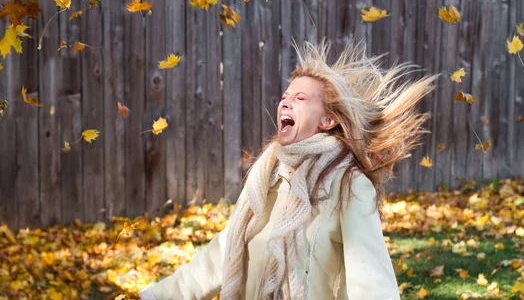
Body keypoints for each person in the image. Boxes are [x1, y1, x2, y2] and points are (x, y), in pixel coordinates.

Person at [139, 39, 439, 300]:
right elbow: (226, 251)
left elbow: (370, 278)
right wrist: (160, 295)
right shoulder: (267, 175)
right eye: (284, 96)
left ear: (327, 120)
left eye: (300, 98)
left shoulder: (347, 183)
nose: (285, 102)